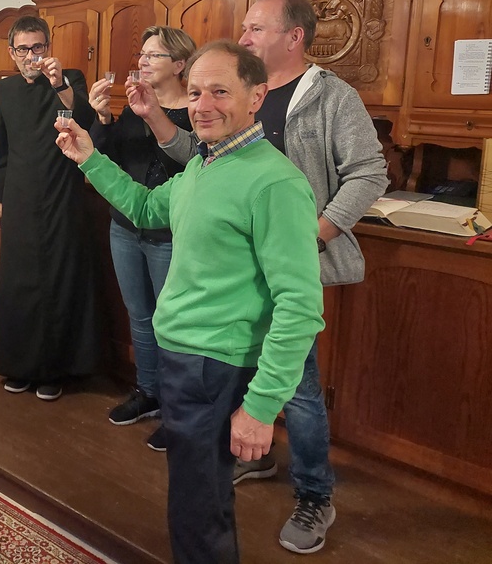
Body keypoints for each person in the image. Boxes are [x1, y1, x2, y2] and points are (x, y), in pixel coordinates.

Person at [55, 40, 325, 564]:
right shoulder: (204, 164)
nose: (203, 105)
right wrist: (89, 158)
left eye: (220, 92)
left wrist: (261, 406)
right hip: (183, 356)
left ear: (256, 96)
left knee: (198, 506)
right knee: (196, 496)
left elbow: (299, 306)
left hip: (216, 365)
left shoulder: (275, 182)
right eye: (196, 92)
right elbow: (144, 207)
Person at [233, 0, 388, 554]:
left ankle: (315, 494)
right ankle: (257, 456)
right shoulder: (245, 90)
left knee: (297, 386)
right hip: (240, 263)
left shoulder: (331, 96)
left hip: (293, 266)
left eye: (255, 28)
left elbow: (370, 173)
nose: (243, 38)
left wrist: (316, 234)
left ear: (293, 37)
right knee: (244, 367)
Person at [87, 27, 195, 450]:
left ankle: (176, 408)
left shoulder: (194, 111)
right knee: (140, 317)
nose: (143, 62)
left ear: (180, 64)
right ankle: (148, 392)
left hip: (170, 232)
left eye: (154, 55)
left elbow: (191, 166)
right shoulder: (133, 105)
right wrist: (102, 119)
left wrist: (153, 115)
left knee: (173, 323)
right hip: (125, 227)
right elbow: (109, 157)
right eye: (143, 54)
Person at [0, 15, 99, 401]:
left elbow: (87, 121)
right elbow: (0, 149)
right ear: (12, 52)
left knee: (57, 279)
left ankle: (55, 369)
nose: (31, 56)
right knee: (19, 282)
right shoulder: (3, 89)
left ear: (47, 48)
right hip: (19, 195)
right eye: (23, 49)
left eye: (37, 47)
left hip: (60, 193)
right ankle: (20, 366)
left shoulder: (69, 79)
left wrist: (60, 85)